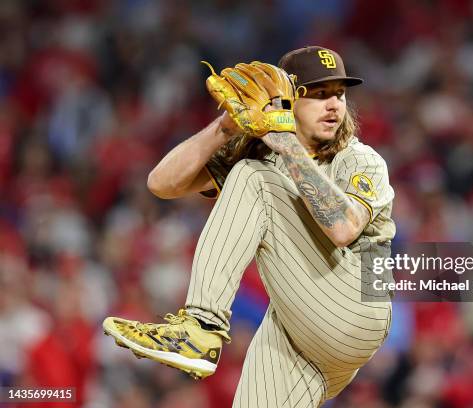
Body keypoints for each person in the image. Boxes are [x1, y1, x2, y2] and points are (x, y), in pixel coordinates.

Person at [103, 46, 395, 407]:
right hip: (299, 330)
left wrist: (285, 142)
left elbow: (342, 228)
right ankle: (200, 330)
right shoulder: (263, 152)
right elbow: (162, 183)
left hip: (359, 304)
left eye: (339, 93)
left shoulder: (361, 159)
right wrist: (225, 127)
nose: (334, 104)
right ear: (286, 100)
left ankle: (202, 326)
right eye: (319, 94)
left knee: (252, 177)